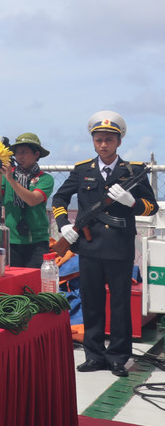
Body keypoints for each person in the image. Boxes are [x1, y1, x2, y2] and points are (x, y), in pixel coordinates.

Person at [53, 111, 158, 378]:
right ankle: (94, 355)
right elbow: (59, 198)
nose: (103, 144)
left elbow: (151, 207)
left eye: (109, 140)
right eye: (99, 139)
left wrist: (131, 202)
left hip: (120, 248)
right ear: (93, 141)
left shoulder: (132, 171)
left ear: (118, 142)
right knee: (91, 302)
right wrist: (65, 225)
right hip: (88, 248)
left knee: (121, 304)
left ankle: (118, 357)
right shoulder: (82, 170)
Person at [0, 134, 53, 268]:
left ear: (36, 154)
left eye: (24, 152)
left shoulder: (45, 179)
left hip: (37, 241)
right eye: (17, 153)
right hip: (11, 240)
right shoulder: (7, 175)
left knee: (34, 283)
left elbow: (33, 200)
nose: (19, 157)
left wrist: (11, 180)